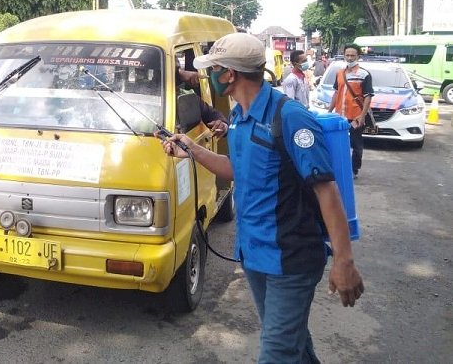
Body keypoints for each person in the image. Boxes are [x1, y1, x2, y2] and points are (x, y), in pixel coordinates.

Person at [160, 33, 363, 363]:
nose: (206, 75)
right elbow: (237, 168)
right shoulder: (239, 116)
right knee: (291, 343)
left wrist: (344, 262)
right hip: (255, 255)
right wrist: (192, 149)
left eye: (213, 69)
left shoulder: (290, 117)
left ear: (230, 74)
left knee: (277, 352)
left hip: (291, 259)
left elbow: (326, 190)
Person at [328, 44, 374, 179]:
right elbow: (336, 93)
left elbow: (368, 96)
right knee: (339, 143)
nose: (349, 58)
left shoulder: (364, 74)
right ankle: (339, 168)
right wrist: (329, 111)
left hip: (355, 116)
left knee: (356, 144)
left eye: (352, 55)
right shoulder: (339, 73)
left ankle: (354, 170)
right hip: (339, 116)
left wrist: (362, 115)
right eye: (347, 55)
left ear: (358, 56)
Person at [176, 65, 228, 137]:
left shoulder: (187, 97)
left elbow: (213, 115)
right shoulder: (159, 98)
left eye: (178, 69)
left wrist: (222, 125)